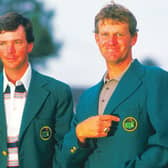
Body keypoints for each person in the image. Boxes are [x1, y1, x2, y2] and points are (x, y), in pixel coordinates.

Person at [62, 2, 168, 168]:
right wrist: (79, 134)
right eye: (105, 34)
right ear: (97, 39)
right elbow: (65, 161)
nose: (111, 41)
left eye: (119, 34)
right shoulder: (87, 98)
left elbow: (164, 145)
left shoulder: (155, 79)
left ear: (134, 38)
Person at [0, 12, 73, 168]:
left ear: (30, 45)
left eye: (17, 42)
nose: (9, 50)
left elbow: (64, 151)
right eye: (3, 43)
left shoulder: (58, 93)